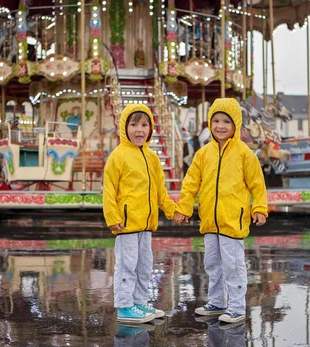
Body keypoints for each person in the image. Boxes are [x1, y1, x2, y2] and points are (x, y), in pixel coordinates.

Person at [173, 98, 268, 325]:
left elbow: (257, 184)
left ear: (236, 123)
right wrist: (184, 208)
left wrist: (260, 208)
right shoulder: (203, 154)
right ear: (210, 122)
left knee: (233, 264)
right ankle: (216, 302)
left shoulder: (245, 153)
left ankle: (236, 306)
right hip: (209, 220)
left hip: (232, 220)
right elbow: (190, 184)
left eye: (226, 121)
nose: (220, 126)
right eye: (216, 121)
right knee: (212, 263)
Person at [103, 104, 177, 324]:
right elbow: (109, 190)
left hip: (145, 224)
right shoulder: (118, 156)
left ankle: (139, 302)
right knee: (127, 265)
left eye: (144, 125)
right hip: (126, 224)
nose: (139, 130)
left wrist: (173, 211)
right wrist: (113, 218)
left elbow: (160, 191)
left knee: (145, 265)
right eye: (133, 124)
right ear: (124, 127)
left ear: (150, 129)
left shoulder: (152, 158)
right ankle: (125, 307)